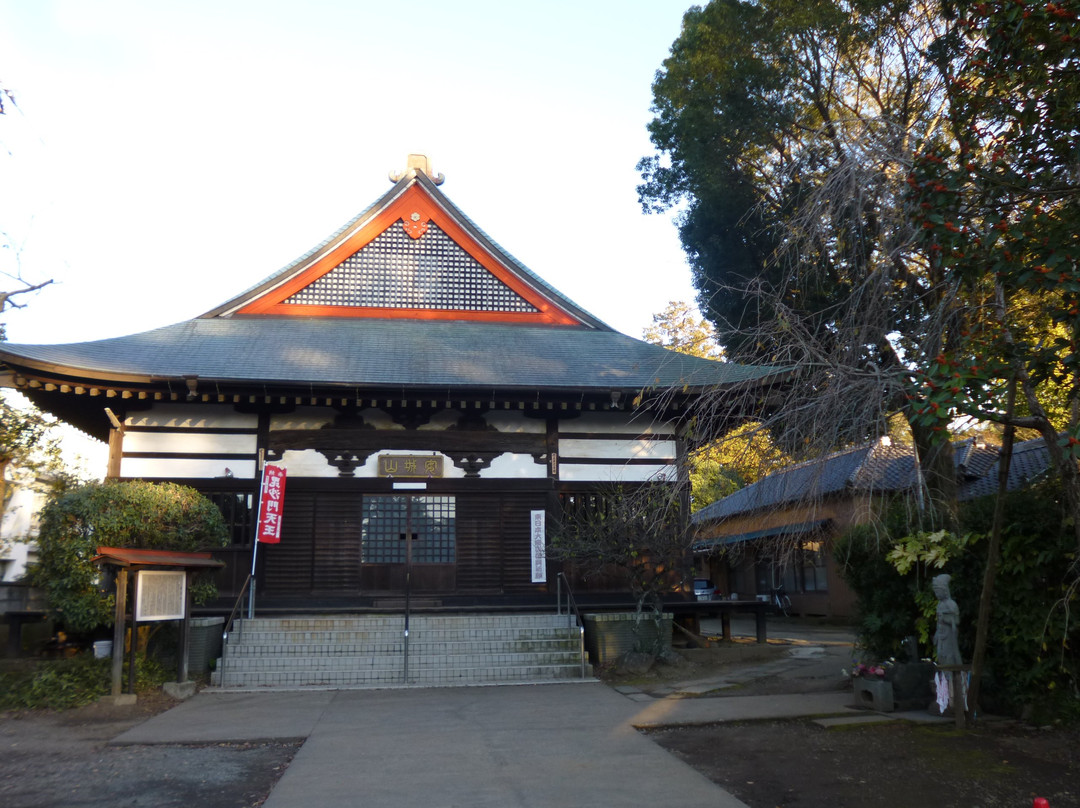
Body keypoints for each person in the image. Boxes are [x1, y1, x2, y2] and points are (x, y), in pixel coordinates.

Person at [932, 574, 962, 666]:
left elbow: (956, 620)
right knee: (940, 654)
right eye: (935, 592)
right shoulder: (939, 605)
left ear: (944, 590)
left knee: (949, 655)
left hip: (949, 634)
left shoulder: (951, 604)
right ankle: (945, 673)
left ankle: (953, 672)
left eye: (938, 591)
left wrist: (946, 619)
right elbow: (938, 622)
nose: (937, 594)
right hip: (941, 635)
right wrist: (936, 634)